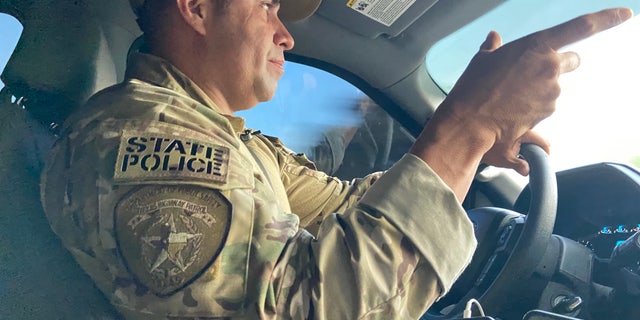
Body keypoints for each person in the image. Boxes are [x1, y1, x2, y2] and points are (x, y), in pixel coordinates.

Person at [40, 0, 632, 319]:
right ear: (195, 7)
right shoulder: (133, 138)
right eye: (268, 5)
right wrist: (468, 124)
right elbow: (301, 311)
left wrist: (468, 154)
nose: (286, 34)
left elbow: (352, 205)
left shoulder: (230, 142)